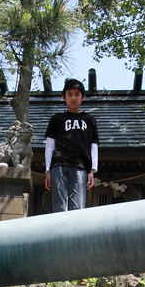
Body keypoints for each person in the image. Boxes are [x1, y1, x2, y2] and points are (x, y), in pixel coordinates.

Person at [44, 79, 99, 212]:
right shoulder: (57, 119)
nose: (73, 97)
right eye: (69, 94)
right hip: (58, 165)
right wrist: (47, 170)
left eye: (77, 94)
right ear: (64, 97)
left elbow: (94, 145)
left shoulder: (89, 119)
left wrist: (92, 169)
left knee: (78, 207)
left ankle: (76, 233)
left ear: (83, 97)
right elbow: (50, 145)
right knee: (59, 206)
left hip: (80, 166)